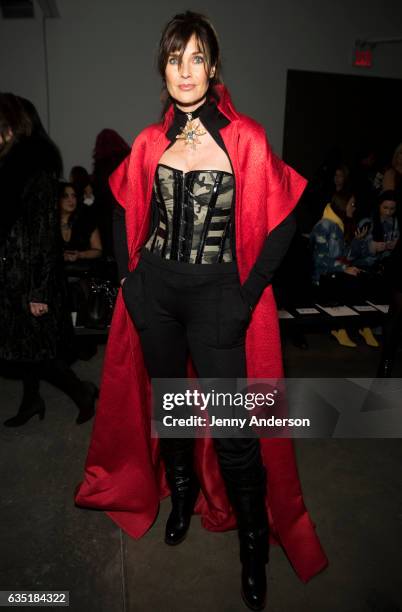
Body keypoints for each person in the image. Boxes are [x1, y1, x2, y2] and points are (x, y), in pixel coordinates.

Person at [75, 12, 328, 610]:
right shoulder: (148, 141)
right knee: (174, 409)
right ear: (162, 70)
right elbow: (118, 208)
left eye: (195, 59)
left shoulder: (246, 139)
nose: (184, 71)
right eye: (173, 59)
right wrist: (131, 284)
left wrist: (246, 294)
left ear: (213, 69)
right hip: (156, 293)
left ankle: (253, 548)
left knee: (237, 433)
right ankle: (182, 495)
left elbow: (287, 219)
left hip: (219, 298)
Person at [0, 93, 98, 427]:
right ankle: (31, 401)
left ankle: (82, 392)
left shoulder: (35, 169)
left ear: (14, 124)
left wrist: (39, 291)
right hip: (16, 277)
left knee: (42, 354)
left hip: (32, 280)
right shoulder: (13, 167)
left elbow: (42, 235)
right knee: (29, 349)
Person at [310, 190, 379, 347]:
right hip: (322, 278)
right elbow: (319, 260)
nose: (354, 208)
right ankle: (339, 327)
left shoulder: (339, 225)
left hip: (334, 273)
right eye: (352, 204)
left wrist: (357, 241)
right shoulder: (324, 226)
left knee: (362, 277)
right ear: (343, 204)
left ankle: (363, 325)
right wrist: (343, 268)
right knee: (352, 282)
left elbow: (346, 256)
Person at [355, 190, 399, 270]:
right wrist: (371, 247)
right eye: (385, 208)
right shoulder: (367, 222)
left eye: (392, 209)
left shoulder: (395, 222)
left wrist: (395, 245)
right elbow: (354, 251)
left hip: (383, 265)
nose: (388, 212)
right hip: (364, 265)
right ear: (379, 205)